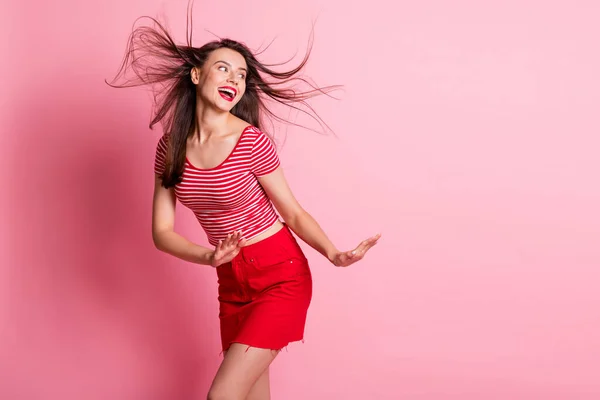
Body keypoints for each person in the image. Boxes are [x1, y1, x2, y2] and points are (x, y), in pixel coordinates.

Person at [107, 10, 380, 400]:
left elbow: (293, 212)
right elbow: (161, 232)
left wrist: (333, 253)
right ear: (197, 75)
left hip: (280, 275)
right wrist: (208, 257)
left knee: (223, 396)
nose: (235, 80)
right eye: (224, 69)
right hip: (231, 282)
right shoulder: (169, 150)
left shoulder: (250, 142)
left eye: (241, 75)